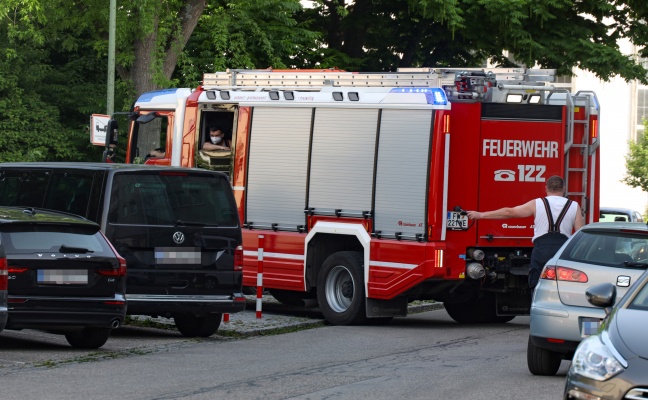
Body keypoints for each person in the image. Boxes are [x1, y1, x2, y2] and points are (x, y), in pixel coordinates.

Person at [466, 175, 584, 289]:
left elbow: (509, 212)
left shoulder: (537, 203)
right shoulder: (574, 206)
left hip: (541, 250)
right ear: (563, 188)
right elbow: (580, 235)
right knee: (562, 286)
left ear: (546, 188)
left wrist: (481, 215)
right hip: (561, 252)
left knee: (537, 285)